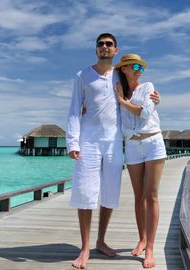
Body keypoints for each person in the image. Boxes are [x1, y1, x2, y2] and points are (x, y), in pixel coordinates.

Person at [66, 33, 159, 269]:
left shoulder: (121, 75)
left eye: (109, 44)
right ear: (96, 49)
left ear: (115, 50)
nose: (104, 47)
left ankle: (101, 241)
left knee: (109, 193)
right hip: (88, 142)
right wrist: (72, 143)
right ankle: (85, 248)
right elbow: (75, 109)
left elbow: (139, 93)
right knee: (86, 194)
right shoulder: (82, 75)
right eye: (100, 44)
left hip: (115, 142)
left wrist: (155, 99)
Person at [115, 54, 166, 269]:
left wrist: (122, 102)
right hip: (132, 147)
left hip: (153, 142)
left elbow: (145, 113)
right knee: (138, 196)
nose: (138, 70)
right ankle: (142, 239)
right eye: (134, 66)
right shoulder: (117, 89)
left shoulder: (147, 87)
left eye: (141, 67)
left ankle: (151, 248)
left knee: (151, 195)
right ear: (124, 69)